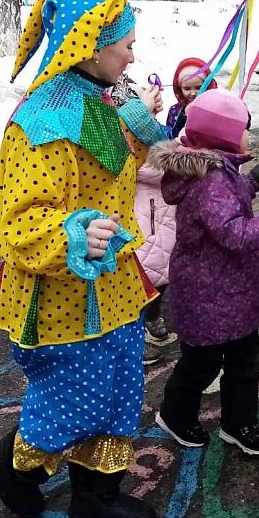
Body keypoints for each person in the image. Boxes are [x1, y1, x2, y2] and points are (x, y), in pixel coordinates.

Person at [0, 0, 167, 518]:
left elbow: (108, 164)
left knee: (117, 390)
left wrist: (140, 122)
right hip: (64, 297)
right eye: (126, 44)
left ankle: (96, 494)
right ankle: (14, 465)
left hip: (112, 288)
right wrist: (71, 236)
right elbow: (20, 222)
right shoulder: (41, 123)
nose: (133, 54)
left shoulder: (96, 98)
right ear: (90, 45)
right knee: (72, 398)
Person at [149, 88, 259, 456]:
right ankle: (174, 414)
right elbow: (234, 232)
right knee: (201, 364)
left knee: (245, 360)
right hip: (210, 294)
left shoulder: (217, 169)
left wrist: (252, 181)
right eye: (244, 128)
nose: (249, 135)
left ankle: (238, 423)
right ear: (224, 134)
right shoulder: (211, 179)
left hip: (228, 290)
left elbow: (224, 207)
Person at [112, 73, 176, 363]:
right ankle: (134, 340)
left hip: (157, 217)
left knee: (154, 277)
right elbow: (154, 167)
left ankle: (147, 322)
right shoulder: (128, 142)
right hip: (146, 219)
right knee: (142, 279)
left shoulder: (140, 134)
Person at [166, 56, 216, 139]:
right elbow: (171, 137)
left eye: (198, 87)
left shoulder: (215, 108)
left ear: (207, 85)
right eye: (187, 88)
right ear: (179, 88)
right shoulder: (175, 111)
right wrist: (183, 117)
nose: (193, 93)